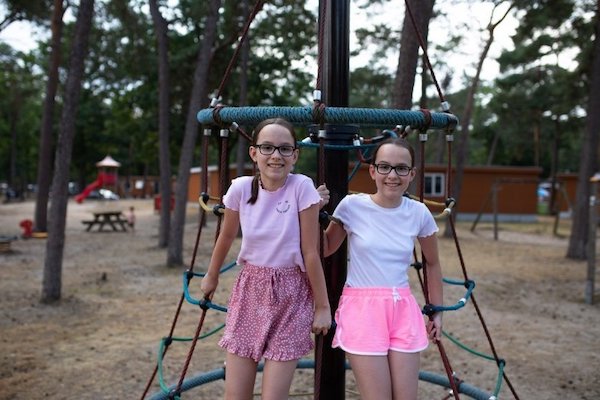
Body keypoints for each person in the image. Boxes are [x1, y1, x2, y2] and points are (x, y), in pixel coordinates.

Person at [200, 117, 331, 400]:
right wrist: (211, 275)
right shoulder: (240, 189)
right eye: (267, 148)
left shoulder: (301, 188)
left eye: (285, 149)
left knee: (274, 395)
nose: (276, 156)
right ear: (254, 153)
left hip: (292, 294)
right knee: (236, 394)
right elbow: (226, 236)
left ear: (295, 155)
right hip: (251, 289)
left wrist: (322, 306)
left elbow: (310, 251)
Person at [322, 137, 443, 400]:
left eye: (401, 168)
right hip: (362, 309)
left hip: (403, 308)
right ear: (373, 171)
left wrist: (437, 312)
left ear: (411, 174)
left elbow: (432, 263)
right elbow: (325, 248)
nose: (393, 175)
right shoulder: (352, 207)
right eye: (385, 167)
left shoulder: (418, 213)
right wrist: (310, 213)